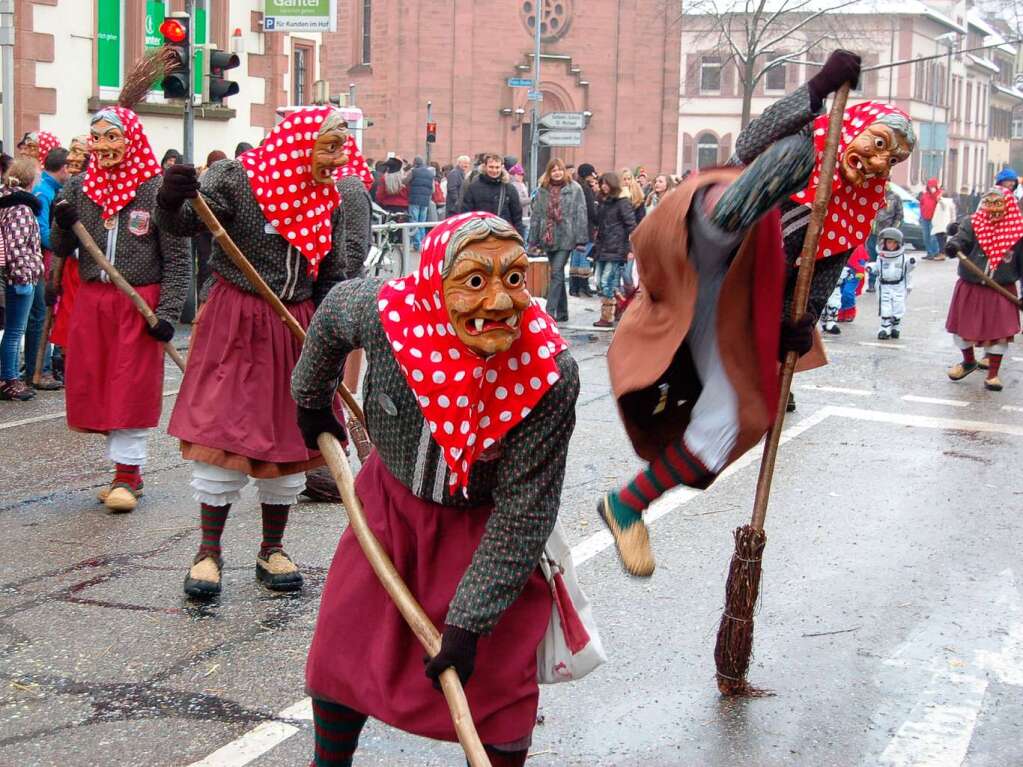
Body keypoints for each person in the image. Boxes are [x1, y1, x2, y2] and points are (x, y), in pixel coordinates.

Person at [597, 50, 916, 576]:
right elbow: (747, 143)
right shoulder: (810, 137)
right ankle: (749, 205)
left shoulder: (854, 215)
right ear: (855, 128)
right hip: (706, 243)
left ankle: (627, 505)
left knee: (736, 418)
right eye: (878, 143)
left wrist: (799, 324)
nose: (879, 162)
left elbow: (819, 283)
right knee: (747, 200)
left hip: (736, 301)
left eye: (892, 159)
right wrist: (816, 89)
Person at [293, 212, 579, 767]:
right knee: (345, 643)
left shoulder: (550, 377)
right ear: (435, 283)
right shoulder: (385, 313)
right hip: (390, 505)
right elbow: (330, 318)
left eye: (514, 279)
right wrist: (311, 398)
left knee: (495, 683)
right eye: (475, 281)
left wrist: (469, 623)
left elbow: (525, 512)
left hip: (485, 529)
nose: (499, 302)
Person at [153, 108, 373, 599]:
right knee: (224, 431)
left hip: (298, 324)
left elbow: (338, 267)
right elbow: (186, 222)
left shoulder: (333, 194)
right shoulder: (239, 179)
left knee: (291, 436)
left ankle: (271, 548)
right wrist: (171, 196)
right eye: (329, 147)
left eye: (341, 148)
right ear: (298, 145)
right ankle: (208, 552)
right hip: (237, 319)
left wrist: (333, 327)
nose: (337, 159)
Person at [50, 102, 190, 513]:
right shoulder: (79, 187)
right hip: (94, 298)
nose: (103, 146)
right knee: (95, 382)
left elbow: (179, 259)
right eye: (97, 138)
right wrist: (62, 221)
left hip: (138, 300)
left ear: (131, 140)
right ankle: (124, 471)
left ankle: (127, 475)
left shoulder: (154, 189)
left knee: (131, 386)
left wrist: (166, 313)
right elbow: (60, 247)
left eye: (112, 137)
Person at [944, 187, 1022, 392]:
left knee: (999, 333)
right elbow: (961, 239)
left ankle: (993, 374)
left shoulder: (1018, 232)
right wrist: (954, 246)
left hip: (1002, 290)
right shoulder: (972, 223)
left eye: (998, 203)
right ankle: (968, 362)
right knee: (962, 330)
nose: (993, 209)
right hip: (970, 286)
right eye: (989, 203)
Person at [0, 157, 44, 401]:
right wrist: (23, 278)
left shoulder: (7, 203)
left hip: (14, 275)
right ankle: (9, 379)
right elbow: (17, 247)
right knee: (15, 331)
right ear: (31, 179)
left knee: (12, 330)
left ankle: (7, 376)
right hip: (20, 277)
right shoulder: (22, 208)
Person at [27, 147, 69, 390]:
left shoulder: (49, 188)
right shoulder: (44, 192)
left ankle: (40, 368)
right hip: (44, 260)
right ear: (63, 168)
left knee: (44, 315)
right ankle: (38, 370)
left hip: (46, 258)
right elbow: (42, 229)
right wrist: (63, 247)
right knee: (41, 316)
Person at [527, 158, 589, 323]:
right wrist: (533, 240)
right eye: (553, 170)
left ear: (564, 171)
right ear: (549, 173)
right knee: (558, 273)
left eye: (559, 169)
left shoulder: (575, 189)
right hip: (548, 236)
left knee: (555, 271)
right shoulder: (542, 190)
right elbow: (536, 215)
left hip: (566, 236)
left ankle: (549, 311)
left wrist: (581, 239)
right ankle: (563, 312)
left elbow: (581, 213)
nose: (557, 173)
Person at [591, 171, 635, 328]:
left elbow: (631, 225)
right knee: (600, 282)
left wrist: (630, 248)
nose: (603, 186)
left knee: (607, 281)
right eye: (602, 183)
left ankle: (607, 316)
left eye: (606, 183)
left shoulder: (622, 202)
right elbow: (597, 223)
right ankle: (620, 304)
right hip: (603, 246)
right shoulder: (602, 202)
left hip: (616, 247)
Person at [455, 153, 524, 236]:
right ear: (485, 166)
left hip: (504, 236)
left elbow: (517, 217)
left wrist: (519, 238)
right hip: (479, 236)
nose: (494, 170)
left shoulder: (510, 188)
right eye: (491, 167)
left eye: (497, 167)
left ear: (502, 167)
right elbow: (466, 214)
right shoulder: (473, 188)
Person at [867, 227, 915, 339]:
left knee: (898, 306)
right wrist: (870, 267)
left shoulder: (903, 258)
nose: (891, 245)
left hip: (898, 286)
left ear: (899, 244)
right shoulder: (881, 257)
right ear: (884, 243)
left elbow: (908, 268)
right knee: (885, 306)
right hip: (885, 286)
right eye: (888, 242)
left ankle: (896, 326)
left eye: (894, 243)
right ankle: (885, 328)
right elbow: (877, 269)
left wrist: (912, 263)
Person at [866, 182, 903, 291]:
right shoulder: (872, 194)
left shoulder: (895, 197)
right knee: (872, 258)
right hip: (872, 233)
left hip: (887, 235)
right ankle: (871, 283)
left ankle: (885, 281)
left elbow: (899, 216)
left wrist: (892, 231)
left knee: (885, 258)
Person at [837, 243, 868, 323]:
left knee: (847, 292)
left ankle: (850, 312)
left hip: (854, 271)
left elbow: (861, 260)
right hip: (841, 269)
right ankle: (840, 312)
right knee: (839, 292)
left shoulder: (859, 246)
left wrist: (860, 270)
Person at [918, 177, 941, 260]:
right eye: (930, 186)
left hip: (934, 219)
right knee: (926, 237)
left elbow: (940, 203)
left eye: (933, 186)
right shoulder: (925, 195)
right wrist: (921, 215)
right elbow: (921, 205)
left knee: (933, 237)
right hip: (925, 218)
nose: (931, 188)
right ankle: (929, 253)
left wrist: (934, 193)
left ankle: (935, 252)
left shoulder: (939, 194)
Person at [932, 188, 957, 256]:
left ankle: (942, 254)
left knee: (940, 240)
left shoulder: (944, 202)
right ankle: (943, 253)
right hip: (946, 224)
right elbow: (953, 214)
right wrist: (952, 222)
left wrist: (939, 199)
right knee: (943, 240)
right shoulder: (951, 203)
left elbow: (943, 206)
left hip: (941, 224)